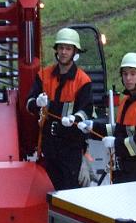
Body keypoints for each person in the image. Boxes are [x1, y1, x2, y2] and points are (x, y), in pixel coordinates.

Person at [79, 53, 136, 183]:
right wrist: (92, 127)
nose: (128, 78)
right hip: (123, 173)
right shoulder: (126, 101)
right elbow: (120, 131)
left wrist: (116, 143)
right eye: (125, 74)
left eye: (132, 74)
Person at [26, 28, 93, 190]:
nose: (63, 52)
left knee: (69, 192)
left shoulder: (83, 80)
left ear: (75, 52)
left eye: (68, 48)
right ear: (56, 50)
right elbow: (28, 104)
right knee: (47, 191)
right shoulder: (43, 75)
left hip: (71, 147)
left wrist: (75, 118)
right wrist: (37, 103)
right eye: (61, 48)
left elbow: (86, 111)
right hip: (48, 146)